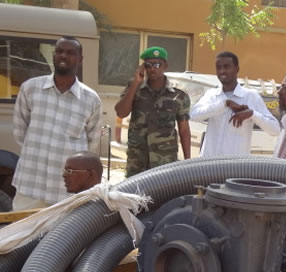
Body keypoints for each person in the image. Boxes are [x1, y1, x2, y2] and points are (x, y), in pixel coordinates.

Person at [12, 36, 102, 211]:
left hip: (65, 192)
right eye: (59, 51)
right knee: (23, 229)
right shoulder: (30, 88)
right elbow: (20, 132)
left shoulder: (91, 99)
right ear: (53, 56)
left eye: (70, 53)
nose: (63, 56)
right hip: (30, 185)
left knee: (64, 231)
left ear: (80, 59)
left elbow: (91, 145)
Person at [115, 46, 191, 177]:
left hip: (165, 162)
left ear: (165, 66)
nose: (152, 69)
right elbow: (121, 112)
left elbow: (184, 130)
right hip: (137, 161)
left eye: (157, 65)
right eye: (148, 65)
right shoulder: (134, 88)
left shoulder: (178, 94)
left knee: (165, 190)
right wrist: (135, 84)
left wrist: (188, 161)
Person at [190, 51, 280, 157]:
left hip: (235, 165)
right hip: (209, 163)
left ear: (237, 69)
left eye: (226, 67)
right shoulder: (212, 95)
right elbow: (193, 115)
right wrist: (225, 104)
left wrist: (252, 114)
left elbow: (275, 130)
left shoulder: (250, 96)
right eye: (218, 67)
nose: (222, 71)